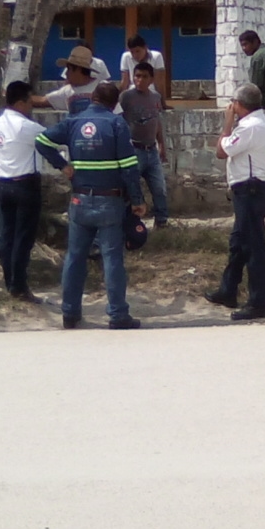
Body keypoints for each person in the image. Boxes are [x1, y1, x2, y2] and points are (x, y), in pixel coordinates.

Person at [35, 81, 145, 329]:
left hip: (80, 200)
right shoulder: (117, 124)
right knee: (112, 258)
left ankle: (70, 313)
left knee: (75, 256)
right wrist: (138, 201)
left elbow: (41, 141)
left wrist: (62, 165)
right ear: (114, 104)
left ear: (93, 97)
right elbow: (129, 167)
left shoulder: (73, 122)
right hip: (110, 201)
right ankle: (118, 314)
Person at [204, 82, 265, 321]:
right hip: (257, 187)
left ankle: (259, 302)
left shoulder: (249, 127)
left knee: (253, 246)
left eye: (233, 103)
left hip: (250, 189)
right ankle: (228, 289)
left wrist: (227, 123)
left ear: (239, 104)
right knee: (238, 240)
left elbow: (221, 151)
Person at [0, 81, 48, 301]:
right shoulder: (26, 126)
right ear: (21, 102)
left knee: (8, 235)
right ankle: (19, 286)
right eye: (29, 101)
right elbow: (53, 139)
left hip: (3, 185)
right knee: (23, 238)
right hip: (25, 185)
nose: (31, 105)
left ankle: (10, 282)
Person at [119, 61, 170, 227]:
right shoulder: (126, 97)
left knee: (159, 188)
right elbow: (118, 120)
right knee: (131, 189)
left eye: (144, 77)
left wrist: (161, 144)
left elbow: (157, 121)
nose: (140, 80)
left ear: (151, 79)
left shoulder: (155, 97)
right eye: (137, 76)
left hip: (151, 149)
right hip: (134, 149)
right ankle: (131, 224)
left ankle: (161, 222)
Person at [34, 45, 100, 116]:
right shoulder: (66, 91)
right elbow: (42, 100)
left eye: (69, 69)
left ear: (78, 70)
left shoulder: (102, 88)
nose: (66, 73)